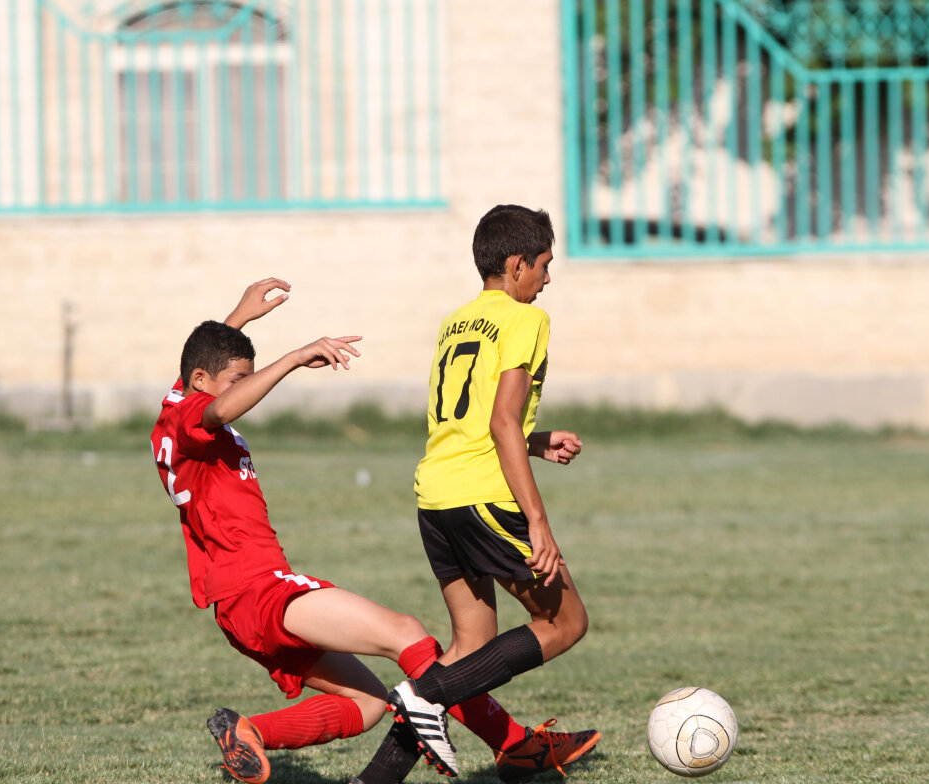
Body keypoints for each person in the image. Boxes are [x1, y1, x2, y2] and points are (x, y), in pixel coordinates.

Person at [151, 278, 590, 784]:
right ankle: (515, 745)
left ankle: (248, 733)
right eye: (237, 379)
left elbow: (203, 372)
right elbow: (219, 406)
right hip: (259, 589)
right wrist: (293, 358)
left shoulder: (173, 409)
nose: (244, 389)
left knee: (367, 704)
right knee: (407, 635)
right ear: (201, 380)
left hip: (238, 605)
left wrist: (239, 317)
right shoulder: (196, 417)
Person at [353, 205, 596, 783]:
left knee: (471, 644)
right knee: (565, 622)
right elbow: (501, 421)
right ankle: (423, 694)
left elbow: (473, 422)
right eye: (544, 265)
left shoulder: (456, 322)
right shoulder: (526, 320)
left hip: (436, 496)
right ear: (516, 265)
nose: (547, 278)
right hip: (485, 497)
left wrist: (535, 442)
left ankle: (374, 779)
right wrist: (538, 521)